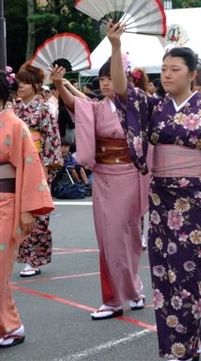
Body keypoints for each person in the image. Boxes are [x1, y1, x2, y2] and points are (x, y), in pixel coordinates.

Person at [107, 20, 201, 361]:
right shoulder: (154, 106)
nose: (167, 75)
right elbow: (120, 90)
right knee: (162, 274)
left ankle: (185, 347)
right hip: (160, 197)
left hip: (196, 199)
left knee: (187, 273)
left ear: (192, 74)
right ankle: (176, 345)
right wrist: (115, 47)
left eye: (175, 69)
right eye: (164, 69)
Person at [51, 63, 149, 320]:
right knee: (108, 237)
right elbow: (77, 107)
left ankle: (133, 290)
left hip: (129, 175)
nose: (106, 83)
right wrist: (60, 84)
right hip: (104, 176)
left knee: (128, 236)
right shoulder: (97, 107)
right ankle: (115, 298)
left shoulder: (135, 106)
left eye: (110, 78)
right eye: (102, 79)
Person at [0, 69, 54, 348]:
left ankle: (12, 328)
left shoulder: (14, 125)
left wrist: (27, 209)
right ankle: (8, 326)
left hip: (6, 202)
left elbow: (31, 167)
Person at [14, 64, 62, 278]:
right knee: (18, 211)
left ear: (35, 85)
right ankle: (23, 255)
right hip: (17, 164)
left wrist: (43, 169)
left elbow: (51, 140)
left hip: (39, 162)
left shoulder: (44, 109)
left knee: (38, 213)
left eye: (24, 82)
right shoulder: (13, 108)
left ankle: (36, 258)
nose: (20, 86)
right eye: (19, 82)